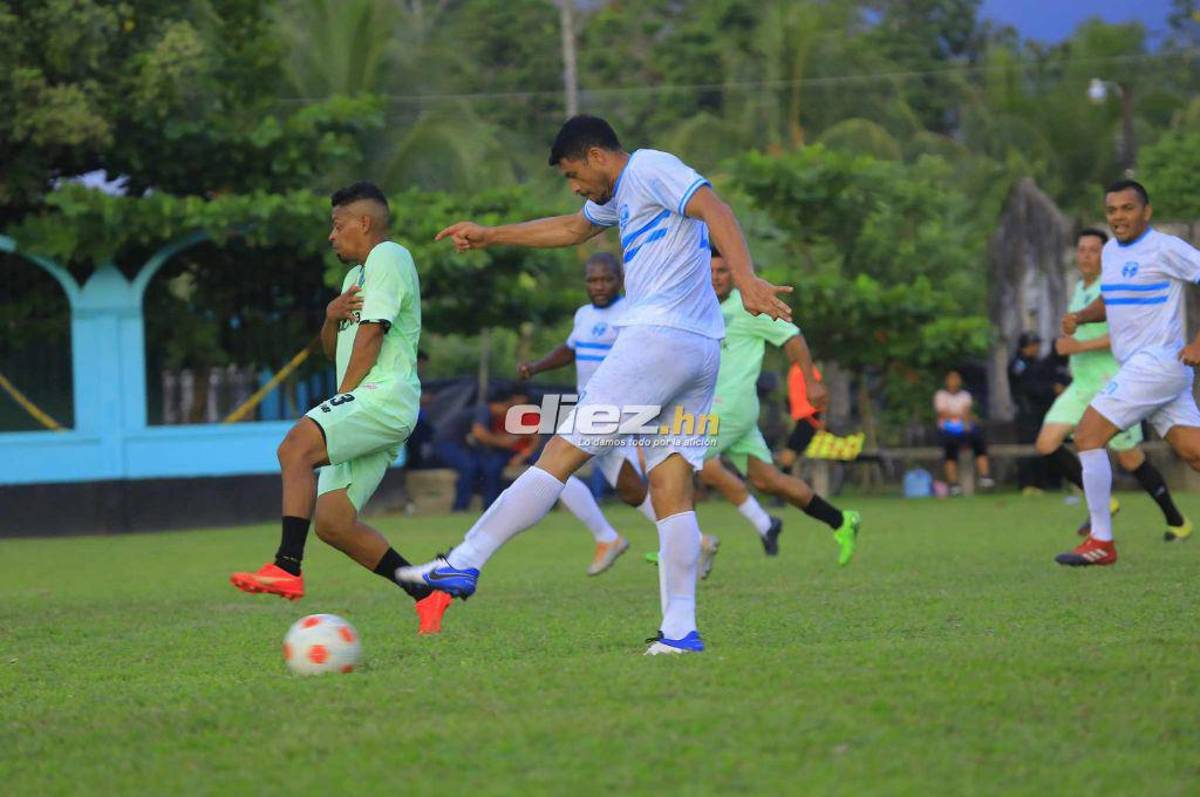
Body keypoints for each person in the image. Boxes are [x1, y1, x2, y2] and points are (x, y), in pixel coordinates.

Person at [397, 114, 792, 655]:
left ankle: (463, 562)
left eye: (571, 174)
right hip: (699, 351)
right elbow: (572, 228)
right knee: (671, 491)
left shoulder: (650, 167)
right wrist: (492, 235)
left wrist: (744, 278)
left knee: (560, 453)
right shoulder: (621, 194)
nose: (575, 186)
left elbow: (714, 206)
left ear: (595, 156)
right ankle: (680, 633)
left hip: (655, 342)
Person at [230, 182, 451, 634]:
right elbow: (335, 352)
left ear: (364, 223)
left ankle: (287, 567)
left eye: (337, 225)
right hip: (368, 403)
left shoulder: (390, 256)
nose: (331, 236)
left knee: (294, 449)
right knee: (332, 523)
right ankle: (427, 591)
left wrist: (339, 399)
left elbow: (372, 335)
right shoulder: (354, 279)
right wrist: (330, 318)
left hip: (383, 397)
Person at [517, 252, 720, 577]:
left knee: (553, 467)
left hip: (616, 404)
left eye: (606, 279)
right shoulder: (583, 314)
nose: (598, 286)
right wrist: (537, 366)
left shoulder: (630, 312)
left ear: (620, 280)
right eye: (592, 280)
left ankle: (608, 538)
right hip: (591, 405)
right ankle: (691, 540)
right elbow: (571, 350)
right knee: (624, 486)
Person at [1056, 179, 1200, 566]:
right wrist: (1083, 316)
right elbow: (1113, 298)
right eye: (1112, 210)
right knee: (1194, 452)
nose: (1119, 217)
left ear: (1146, 212)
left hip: (1156, 364)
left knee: (1087, 434)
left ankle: (1102, 540)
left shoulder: (1165, 248)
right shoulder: (1112, 254)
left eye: (1127, 208)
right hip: (1150, 370)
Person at [698, 246, 860, 563]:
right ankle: (841, 521)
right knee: (768, 481)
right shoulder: (698, 306)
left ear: (734, 272)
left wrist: (812, 383)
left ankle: (683, 548)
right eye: (710, 271)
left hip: (731, 409)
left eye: (723, 271)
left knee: (676, 459)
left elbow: (793, 337)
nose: (715, 277)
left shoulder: (749, 305)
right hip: (718, 413)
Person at [1036, 228, 1190, 539]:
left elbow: (1119, 334)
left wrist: (1077, 346)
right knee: (1047, 443)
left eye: (1093, 250)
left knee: (1132, 458)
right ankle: (1104, 505)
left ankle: (1176, 521)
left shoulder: (1119, 285)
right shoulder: (1081, 287)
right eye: (1081, 250)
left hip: (1114, 381)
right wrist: (1073, 326)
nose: (1086, 256)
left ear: (1105, 254)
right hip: (1080, 385)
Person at [434, 386, 524, 512]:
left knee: (481, 465)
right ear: (498, 405)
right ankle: (460, 508)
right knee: (468, 466)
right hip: (447, 443)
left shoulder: (486, 413)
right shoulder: (484, 411)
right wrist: (502, 442)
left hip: (460, 445)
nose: (506, 411)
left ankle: (486, 505)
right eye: (507, 407)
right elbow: (479, 433)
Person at [1009, 333, 1060, 492]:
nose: (1036, 348)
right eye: (1033, 345)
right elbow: (1028, 387)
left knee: (1045, 445)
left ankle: (1045, 483)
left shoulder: (1037, 363)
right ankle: (1027, 484)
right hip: (1027, 412)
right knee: (1027, 446)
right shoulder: (1018, 364)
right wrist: (1051, 389)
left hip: (1041, 411)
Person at [933, 370, 994, 494]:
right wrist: (958, 415)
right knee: (950, 448)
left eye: (956, 378)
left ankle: (985, 476)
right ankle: (954, 484)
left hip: (964, 428)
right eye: (951, 378)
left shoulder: (965, 395)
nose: (954, 381)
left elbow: (966, 414)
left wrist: (957, 416)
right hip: (947, 430)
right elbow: (943, 414)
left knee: (979, 440)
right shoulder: (941, 395)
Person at [776, 362, 823, 471]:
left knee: (795, 446)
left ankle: (785, 473)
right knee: (795, 445)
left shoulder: (802, 369)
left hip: (807, 414)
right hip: (807, 415)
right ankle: (784, 473)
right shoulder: (803, 369)